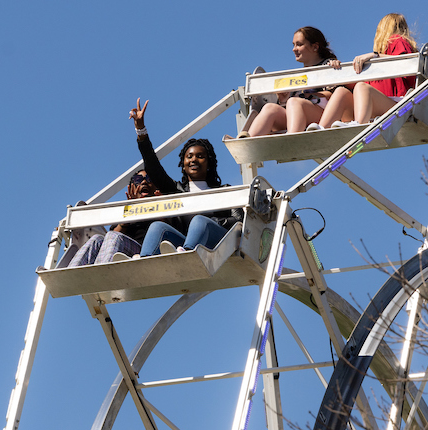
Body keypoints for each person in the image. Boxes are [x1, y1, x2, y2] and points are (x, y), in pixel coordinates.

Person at [129, 98, 243, 257]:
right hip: (182, 244)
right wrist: (141, 131)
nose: (194, 160)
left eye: (200, 156)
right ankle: (145, 261)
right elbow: (153, 168)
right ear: (183, 164)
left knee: (199, 221)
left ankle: (189, 254)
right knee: (156, 227)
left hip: (218, 243)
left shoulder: (225, 191)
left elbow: (239, 223)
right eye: (189, 157)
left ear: (209, 163)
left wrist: (211, 222)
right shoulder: (177, 190)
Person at [310, 13, 418, 130]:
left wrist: (374, 56)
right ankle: (322, 127)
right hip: (376, 104)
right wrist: (336, 70)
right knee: (342, 91)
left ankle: (359, 124)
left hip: (398, 104)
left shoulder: (398, 40)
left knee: (362, 87)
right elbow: (354, 84)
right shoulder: (378, 63)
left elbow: (405, 63)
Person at [242, 26, 341, 137]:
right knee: (270, 108)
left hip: (322, 115)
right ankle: (249, 141)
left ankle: (292, 138)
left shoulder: (328, 65)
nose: (294, 49)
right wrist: (283, 100)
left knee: (294, 102)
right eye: (293, 45)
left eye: (299, 44)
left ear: (315, 47)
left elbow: (336, 95)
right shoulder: (298, 75)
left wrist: (306, 96)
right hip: (298, 113)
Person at [65, 170, 163, 266]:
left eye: (149, 179)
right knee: (96, 239)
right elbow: (114, 234)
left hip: (145, 253)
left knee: (114, 237)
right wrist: (130, 212)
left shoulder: (165, 206)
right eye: (138, 179)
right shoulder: (124, 213)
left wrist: (160, 206)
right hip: (120, 252)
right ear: (132, 187)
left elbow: (166, 227)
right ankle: (70, 273)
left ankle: (103, 272)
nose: (144, 182)